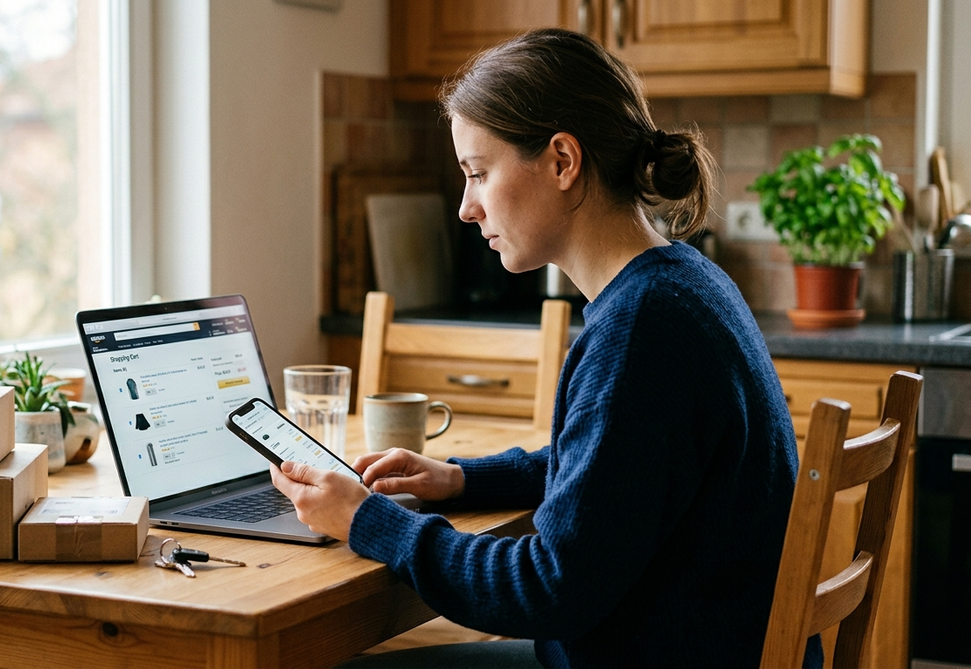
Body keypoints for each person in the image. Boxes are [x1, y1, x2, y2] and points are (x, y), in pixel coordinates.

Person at [270, 28, 819, 669]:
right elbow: (611, 471)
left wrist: (368, 520)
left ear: (562, 161)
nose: (467, 208)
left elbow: (546, 588)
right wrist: (461, 478)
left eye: (479, 173)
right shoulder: (684, 282)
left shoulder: (641, 330)